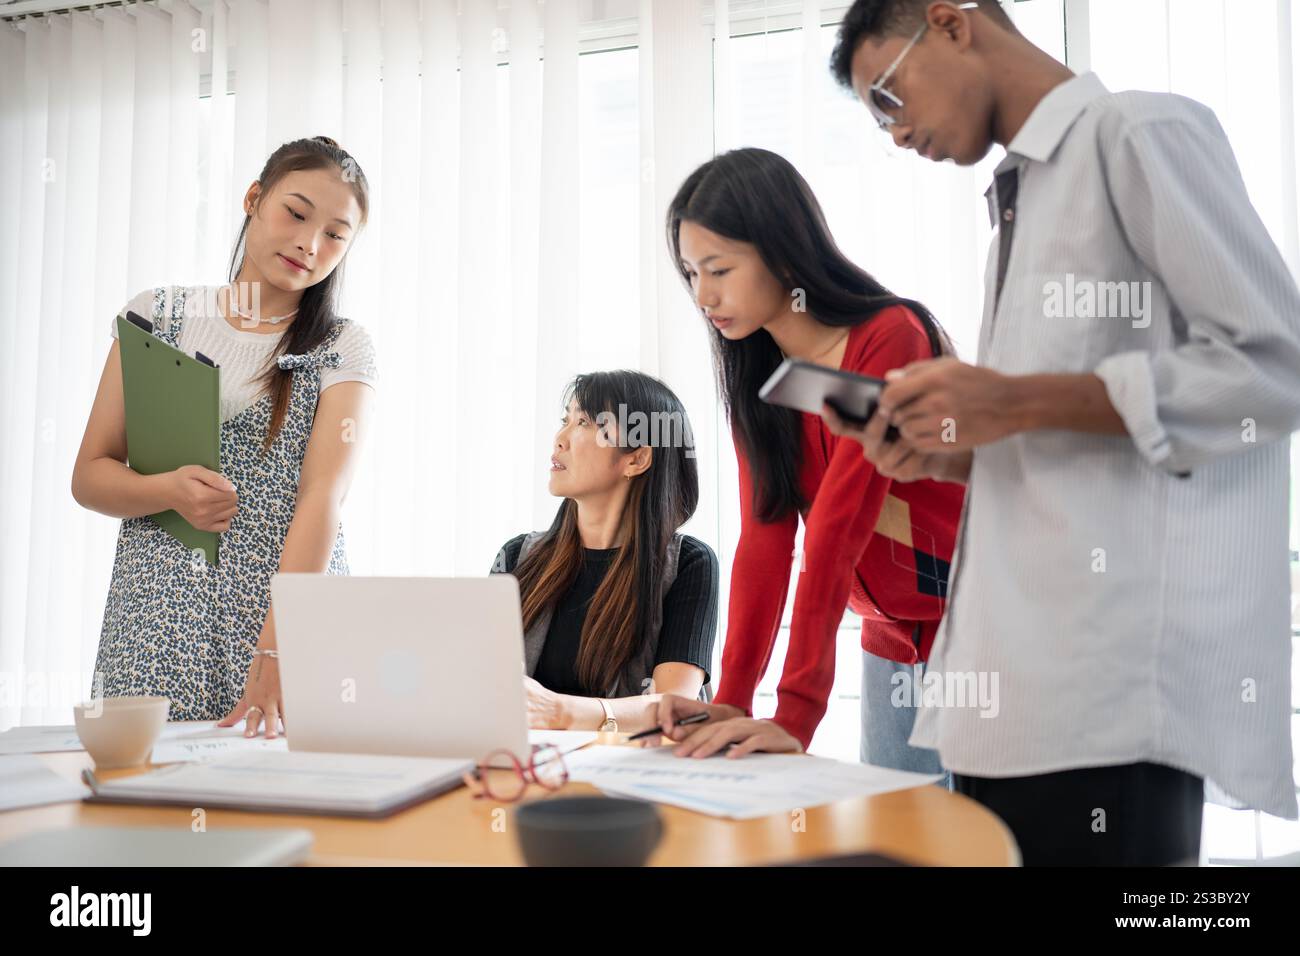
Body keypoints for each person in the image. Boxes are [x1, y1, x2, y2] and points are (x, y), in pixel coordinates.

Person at [816, 0, 1300, 863]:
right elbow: (1067, 445)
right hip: (1011, 698)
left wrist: (1015, 400)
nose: (892, 133)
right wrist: (952, 455)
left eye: (886, 96)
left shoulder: (1137, 131)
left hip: (1100, 703)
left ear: (952, 22)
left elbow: (1274, 367)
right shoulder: (1021, 197)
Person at [655, 147, 965, 771]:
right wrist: (736, 703)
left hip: (980, 631)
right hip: (889, 644)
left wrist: (796, 713)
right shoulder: (759, 375)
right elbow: (766, 541)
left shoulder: (891, 333)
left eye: (719, 269)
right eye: (691, 273)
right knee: (898, 845)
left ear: (784, 251)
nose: (703, 294)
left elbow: (837, 527)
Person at [72, 136, 377, 739]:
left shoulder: (342, 344)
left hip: (282, 614)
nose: (309, 244)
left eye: (335, 235)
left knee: (293, 808)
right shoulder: (157, 316)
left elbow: (324, 499)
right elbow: (90, 474)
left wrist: (278, 650)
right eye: (296, 212)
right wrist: (167, 490)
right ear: (253, 198)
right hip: (157, 611)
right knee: (148, 811)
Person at [490, 370, 718, 735]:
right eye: (565, 420)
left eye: (583, 423)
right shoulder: (518, 556)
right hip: (525, 765)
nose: (560, 439)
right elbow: (486, 687)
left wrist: (561, 711)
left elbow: (675, 704)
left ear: (636, 459)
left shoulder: (689, 563)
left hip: (631, 771)